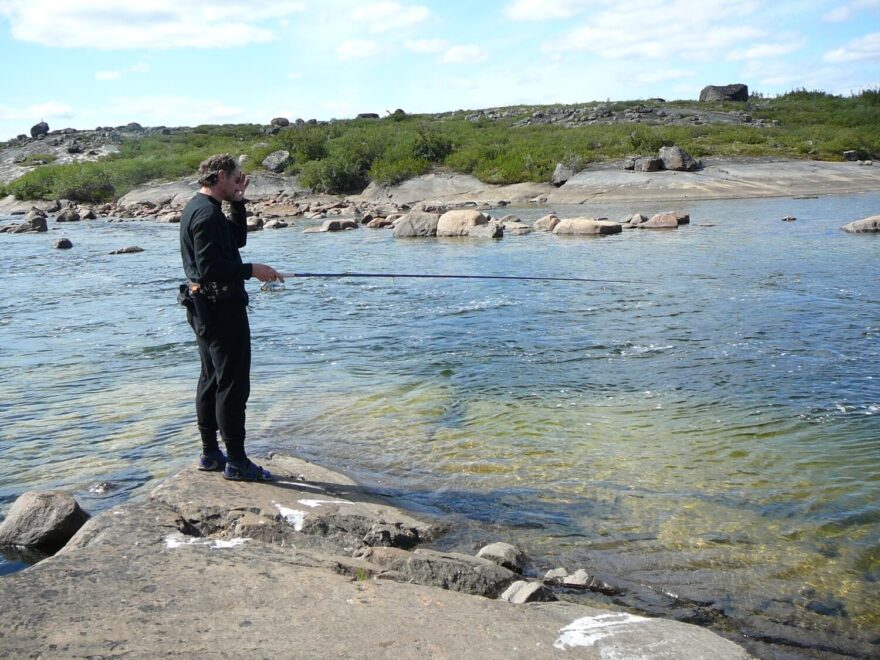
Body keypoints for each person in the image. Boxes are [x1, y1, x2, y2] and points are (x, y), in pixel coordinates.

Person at [179, 153, 283, 481]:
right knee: (232, 384)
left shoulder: (203, 208)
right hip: (220, 309)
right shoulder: (205, 216)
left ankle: (211, 454)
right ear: (221, 175)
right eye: (236, 178)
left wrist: (238, 202)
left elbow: (236, 240)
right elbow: (210, 269)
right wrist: (253, 270)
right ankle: (236, 461)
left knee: (211, 378)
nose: (240, 182)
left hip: (205, 309)